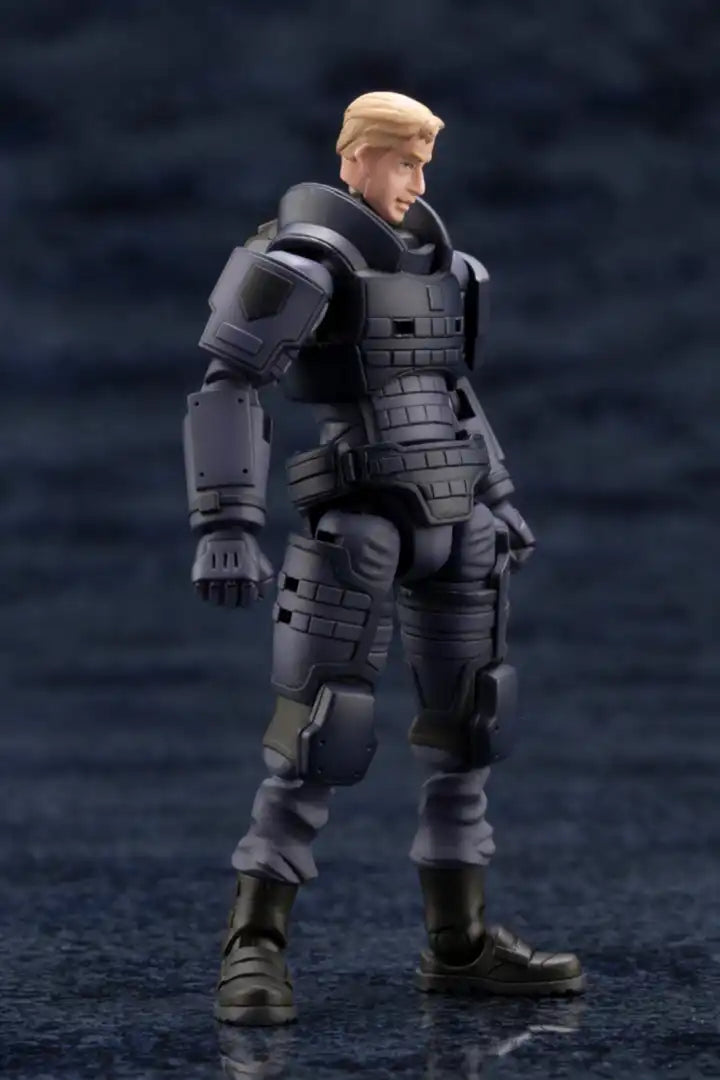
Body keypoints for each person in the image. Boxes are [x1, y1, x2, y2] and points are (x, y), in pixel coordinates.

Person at [183, 90, 585, 1026]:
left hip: (459, 523)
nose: (417, 182)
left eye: (425, 163)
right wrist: (227, 522)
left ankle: (459, 942)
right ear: (355, 157)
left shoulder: (444, 266)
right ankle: (254, 943)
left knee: (470, 727)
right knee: (320, 735)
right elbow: (230, 382)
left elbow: (450, 393)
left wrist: (497, 494)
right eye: (404, 161)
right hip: (358, 526)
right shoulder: (305, 259)